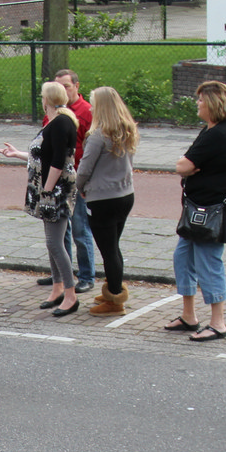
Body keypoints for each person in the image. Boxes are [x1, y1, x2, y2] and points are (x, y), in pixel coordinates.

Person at [0, 81, 81, 316]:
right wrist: (17, 154)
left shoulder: (61, 122)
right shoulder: (55, 121)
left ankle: (70, 294)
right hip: (49, 188)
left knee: (55, 242)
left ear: (47, 100)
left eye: (42, 96)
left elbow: (58, 161)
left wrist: (47, 190)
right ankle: (57, 287)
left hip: (56, 190)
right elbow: (44, 156)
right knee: (52, 241)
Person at [167, 80, 226, 342]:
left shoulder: (219, 135)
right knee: (183, 257)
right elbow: (186, 163)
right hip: (196, 208)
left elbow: (183, 165)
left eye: (200, 100)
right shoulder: (209, 130)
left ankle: (218, 323)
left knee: (208, 263)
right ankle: (189, 315)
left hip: (212, 211)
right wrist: (188, 165)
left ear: (212, 103)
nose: (197, 103)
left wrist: (189, 166)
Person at [75, 86, 138, 316]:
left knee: (108, 250)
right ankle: (113, 287)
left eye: (93, 105)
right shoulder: (127, 131)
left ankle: (115, 299)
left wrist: (79, 187)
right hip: (125, 194)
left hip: (102, 198)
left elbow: (84, 168)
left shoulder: (98, 136)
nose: (91, 109)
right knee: (113, 246)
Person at [52, 69, 97, 293]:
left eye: (66, 86)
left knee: (80, 229)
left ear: (77, 87)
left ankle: (87, 275)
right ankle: (63, 274)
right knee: (61, 231)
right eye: (58, 87)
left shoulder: (87, 112)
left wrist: (86, 179)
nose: (62, 91)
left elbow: (93, 147)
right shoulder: (53, 111)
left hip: (78, 179)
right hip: (58, 179)